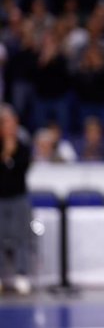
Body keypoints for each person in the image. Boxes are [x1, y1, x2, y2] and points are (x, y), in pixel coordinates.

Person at [0, 104, 32, 295]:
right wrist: (6, 154)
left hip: (18, 197)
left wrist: (11, 156)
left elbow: (21, 170)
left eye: (11, 123)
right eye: (5, 123)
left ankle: (21, 274)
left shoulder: (24, 147)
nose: (9, 127)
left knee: (21, 237)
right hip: (0, 198)